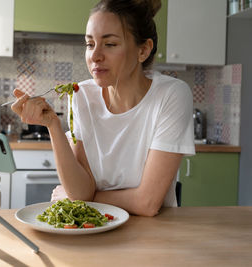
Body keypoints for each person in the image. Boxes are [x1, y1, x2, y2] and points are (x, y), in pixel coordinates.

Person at [11, 0, 195, 216]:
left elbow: (147, 203)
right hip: (94, 226)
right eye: (90, 44)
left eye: (110, 44)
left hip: (151, 233)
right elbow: (81, 190)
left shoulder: (171, 95)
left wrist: (88, 199)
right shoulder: (80, 96)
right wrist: (53, 126)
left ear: (143, 50)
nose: (95, 56)